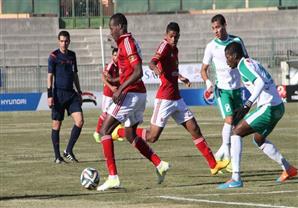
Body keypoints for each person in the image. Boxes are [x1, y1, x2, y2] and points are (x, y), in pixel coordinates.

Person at [114, 22, 229, 175]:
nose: (174, 39)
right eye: (171, 36)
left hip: (177, 98)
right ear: (166, 35)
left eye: (176, 36)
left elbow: (171, 70)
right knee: (152, 137)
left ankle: (213, 164)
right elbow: (152, 62)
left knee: (194, 129)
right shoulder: (164, 46)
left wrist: (181, 77)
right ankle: (122, 132)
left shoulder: (175, 50)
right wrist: (155, 69)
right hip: (165, 99)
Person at [97, 13, 169, 191]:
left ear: (120, 26)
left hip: (131, 95)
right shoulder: (125, 43)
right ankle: (159, 164)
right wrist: (115, 82)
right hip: (138, 94)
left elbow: (138, 71)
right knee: (130, 134)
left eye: (111, 28)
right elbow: (129, 73)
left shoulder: (127, 42)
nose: (110, 32)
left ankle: (113, 177)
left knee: (104, 130)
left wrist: (120, 89)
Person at [217, 41, 297, 189]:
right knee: (259, 139)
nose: (227, 60)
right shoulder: (251, 62)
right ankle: (288, 169)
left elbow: (260, 83)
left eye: (227, 57)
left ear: (234, 56)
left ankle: (236, 178)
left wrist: (247, 104)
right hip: (278, 106)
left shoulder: (242, 65)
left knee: (236, 132)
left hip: (269, 107)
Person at [200, 14, 248, 171]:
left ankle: (222, 154)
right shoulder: (210, 46)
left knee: (237, 126)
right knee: (229, 119)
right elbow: (203, 70)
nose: (216, 31)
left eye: (218, 27)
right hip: (222, 90)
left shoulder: (237, 41)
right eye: (213, 28)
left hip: (237, 90)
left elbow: (246, 61)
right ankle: (227, 155)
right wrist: (208, 84)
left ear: (225, 25)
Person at [47, 30, 84, 164]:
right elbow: (50, 76)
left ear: (69, 41)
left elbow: (75, 75)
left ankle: (68, 150)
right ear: (58, 41)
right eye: (62, 41)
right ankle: (57, 157)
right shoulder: (53, 56)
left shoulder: (72, 55)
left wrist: (79, 91)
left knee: (79, 121)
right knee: (57, 124)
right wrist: (50, 95)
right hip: (58, 94)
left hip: (71, 94)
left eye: (66, 41)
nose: (64, 43)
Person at [93, 48, 123, 143]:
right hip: (109, 94)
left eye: (117, 55)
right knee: (105, 113)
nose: (116, 57)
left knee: (117, 113)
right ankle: (97, 132)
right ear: (112, 56)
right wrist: (111, 87)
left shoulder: (121, 65)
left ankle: (115, 133)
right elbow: (103, 77)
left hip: (117, 93)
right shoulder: (110, 65)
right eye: (114, 55)